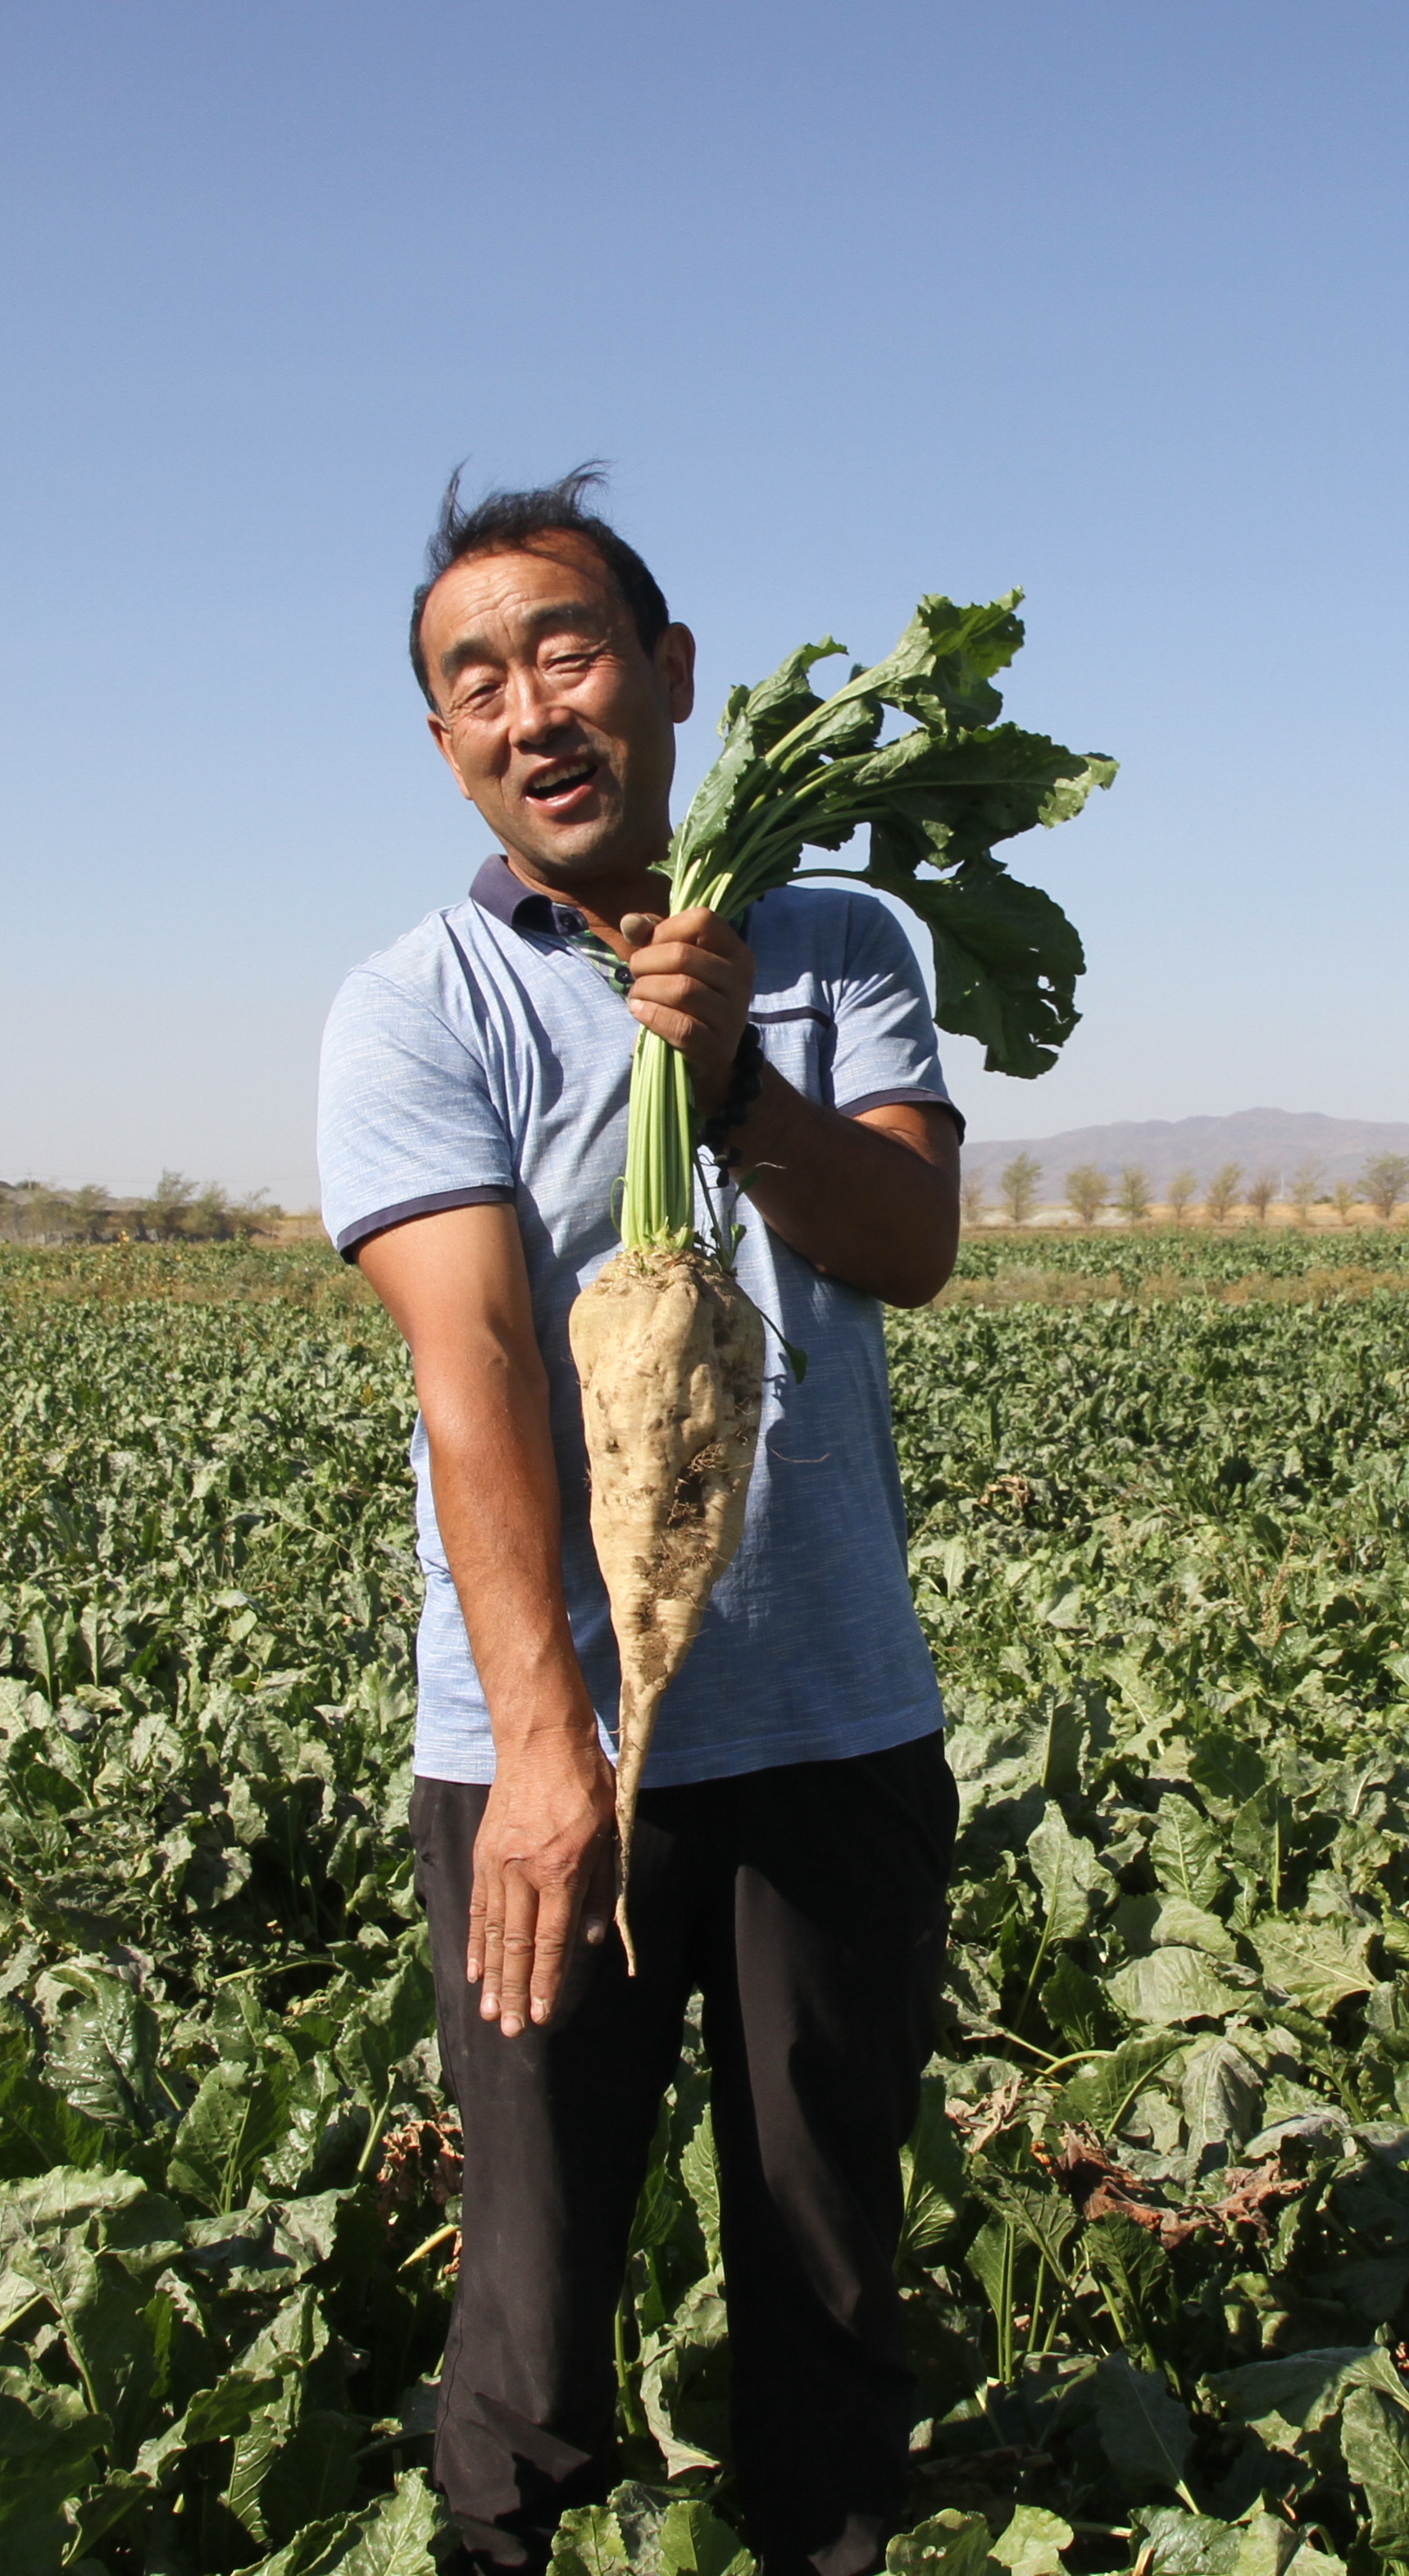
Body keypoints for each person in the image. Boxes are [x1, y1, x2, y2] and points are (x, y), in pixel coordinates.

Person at [316, 469, 969, 2576]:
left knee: (831, 2277)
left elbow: (910, 1239)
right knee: (531, 2309)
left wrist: (742, 1076)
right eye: (476, 681)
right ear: (446, 746)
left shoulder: (842, 940)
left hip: (832, 1727)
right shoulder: (418, 1005)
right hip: (549, 1761)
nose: (534, 708)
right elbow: (476, 1369)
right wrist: (542, 1754)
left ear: (672, 678)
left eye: (571, 651)